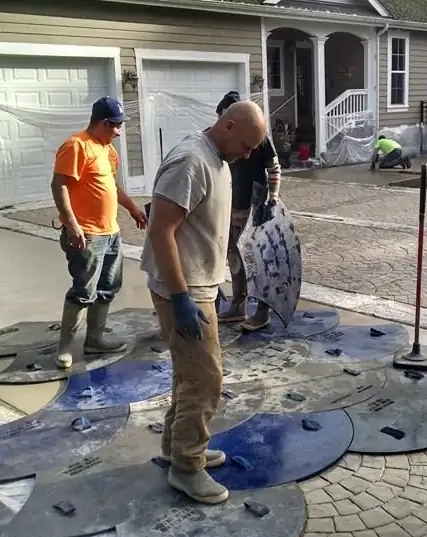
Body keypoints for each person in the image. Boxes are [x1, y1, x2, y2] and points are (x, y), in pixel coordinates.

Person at [141, 100, 267, 504]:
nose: (246, 155)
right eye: (246, 146)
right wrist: (180, 299)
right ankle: (186, 467)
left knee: (189, 374)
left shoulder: (217, 158)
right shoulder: (191, 162)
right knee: (206, 379)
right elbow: (161, 231)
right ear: (227, 126)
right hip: (184, 291)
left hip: (199, 286)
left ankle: (176, 448)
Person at [50, 97, 148, 370]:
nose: (119, 131)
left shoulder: (107, 150)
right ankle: (65, 348)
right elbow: (59, 186)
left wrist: (132, 209)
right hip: (87, 235)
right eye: (116, 126)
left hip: (111, 232)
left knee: (108, 287)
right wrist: (72, 225)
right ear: (104, 122)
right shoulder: (76, 146)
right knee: (83, 290)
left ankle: (94, 340)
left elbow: (112, 187)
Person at [213, 91, 283, 331]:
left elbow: (273, 167)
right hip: (232, 204)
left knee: (257, 259)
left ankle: (262, 312)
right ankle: (238, 305)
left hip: (254, 206)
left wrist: (272, 198)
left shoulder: (258, 136)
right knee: (234, 257)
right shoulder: (222, 138)